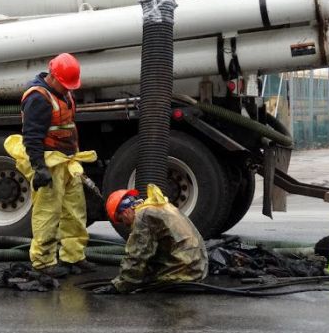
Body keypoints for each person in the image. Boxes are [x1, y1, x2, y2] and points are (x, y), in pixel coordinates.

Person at [20, 53, 95, 277]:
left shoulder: (65, 94)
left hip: (68, 162)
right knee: (47, 214)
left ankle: (73, 256)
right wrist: (39, 167)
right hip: (49, 163)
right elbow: (31, 136)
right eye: (64, 84)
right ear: (53, 76)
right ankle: (43, 262)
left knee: (75, 210)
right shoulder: (38, 98)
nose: (67, 89)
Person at [94, 184, 208, 294]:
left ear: (125, 211)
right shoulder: (157, 206)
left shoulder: (142, 217)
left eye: (121, 220)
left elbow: (137, 256)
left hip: (186, 272)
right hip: (198, 265)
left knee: (146, 279)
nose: (124, 224)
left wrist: (120, 286)